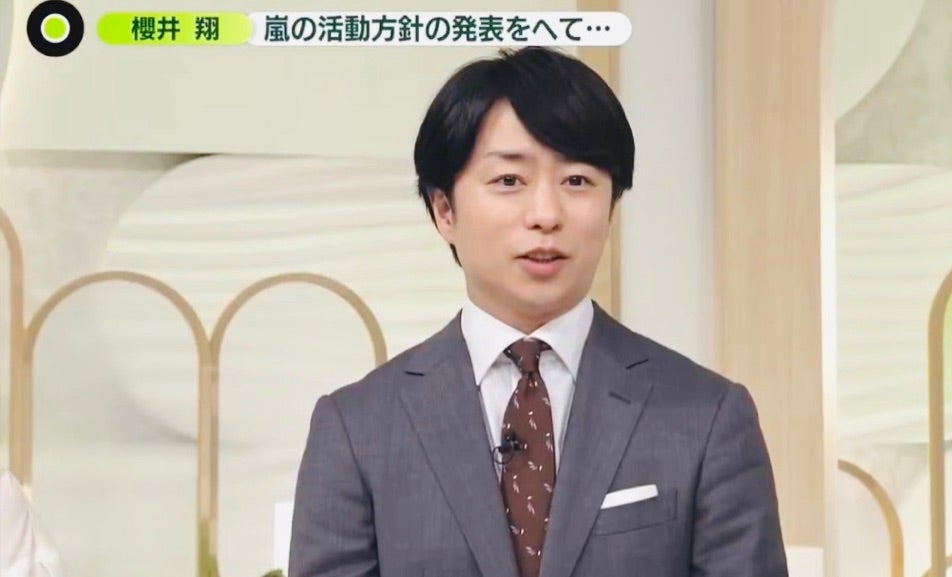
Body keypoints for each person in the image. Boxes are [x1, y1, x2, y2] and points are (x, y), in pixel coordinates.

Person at [288, 46, 788, 577]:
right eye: (509, 181)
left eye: (577, 181)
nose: (546, 214)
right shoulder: (357, 428)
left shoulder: (708, 416)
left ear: (611, 206)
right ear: (444, 210)